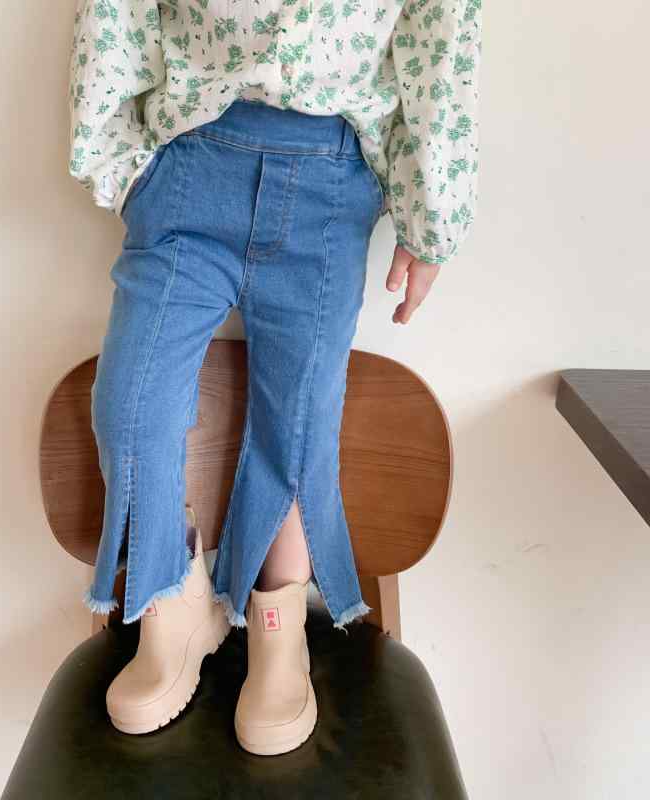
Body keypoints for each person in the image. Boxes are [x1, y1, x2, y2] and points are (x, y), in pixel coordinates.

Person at [67, 0, 481, 756]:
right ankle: (170, 599)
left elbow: (441, 34)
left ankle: (276, 618)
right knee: (130, 407)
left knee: (298, 422)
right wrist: (117, 160)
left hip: (330, 174)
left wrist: (432, 220)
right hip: (190, 159)